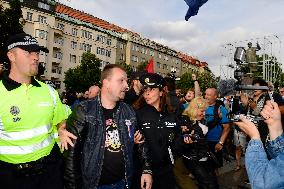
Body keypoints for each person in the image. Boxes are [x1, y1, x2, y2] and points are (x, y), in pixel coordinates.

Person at [0, 33, 71, 189]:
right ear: (11, 56)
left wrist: (61, 130)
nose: (36, 57)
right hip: (11, 178)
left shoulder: (50, 91)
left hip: (49, 172)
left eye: (37, 53)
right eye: (28, 52)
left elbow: (61, 119)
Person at [64, 64, 152, 189]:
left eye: (126, 81)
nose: (127, 86)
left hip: (123, 183)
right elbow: (71, 156)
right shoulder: (84, 110)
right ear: (106, 82)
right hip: (93, 185)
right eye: (121, 80)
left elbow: (141, 143)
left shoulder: (129, 111)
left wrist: (146, 169)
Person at [133, 73, 185, 189]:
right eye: (145, 89)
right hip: (144, 172)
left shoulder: (171, 115)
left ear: (161, 92)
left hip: (167, 172)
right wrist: (132, 141)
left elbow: (177, 141)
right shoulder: (137, 114)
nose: (147, 93)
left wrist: (184, 141)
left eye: (151, 89)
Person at [235, 101, 284, 189]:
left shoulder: (270, 96)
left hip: (262, 134)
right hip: (269, 136)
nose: (254, 87)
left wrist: (254, 137)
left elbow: (265, 183)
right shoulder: (252, 98)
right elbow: (281, 159)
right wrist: (274, 126)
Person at [182, 97, 219, 189]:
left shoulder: (202, 120)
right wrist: (186, 135)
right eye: (202, 111)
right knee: (210, 184)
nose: (204, 113)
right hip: (194, 159)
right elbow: (182, 135)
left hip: (205, 157)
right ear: (195, 109)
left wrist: (217, 116)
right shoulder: (185, 121)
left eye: (205, 111)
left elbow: (207, 127)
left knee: (211, 183)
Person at [204, 88, 230, 174]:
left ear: (215, 96)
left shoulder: (220, 109)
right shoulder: (201, 106)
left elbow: (227, 128)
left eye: (209, 95)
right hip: (202, 141)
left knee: (214, 168)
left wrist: (220, 142)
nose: (206, 96)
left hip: (214, 142)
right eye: (205, 94)